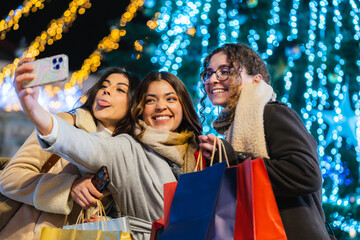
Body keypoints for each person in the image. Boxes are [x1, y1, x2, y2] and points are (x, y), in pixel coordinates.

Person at [14, 70, 202, 240]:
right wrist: (33, 108)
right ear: (139, 109)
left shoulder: (201, 151)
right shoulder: (127, 147)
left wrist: (111, 222)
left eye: (170, 99)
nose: (161, 106)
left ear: (183, 105)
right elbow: (81, 144)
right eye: (150, 100)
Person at [198, 43, 330, 240]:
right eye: (208, 73)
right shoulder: (231, 129)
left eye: (225, 71)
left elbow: (305, 174)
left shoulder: (273, 113)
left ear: (256, 79)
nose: (213, 79)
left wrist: (234, 159)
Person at [0, 59, 140, 240]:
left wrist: (102, 219)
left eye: (120, 89)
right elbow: (9, 178)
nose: (106, 91)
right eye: (104, 86)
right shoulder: (63, 125)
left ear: (134, 104)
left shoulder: (130, 152)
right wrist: (68, 187)